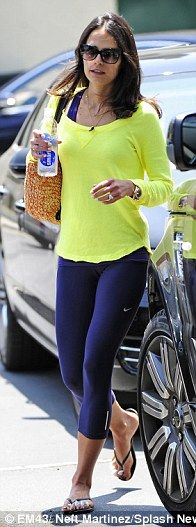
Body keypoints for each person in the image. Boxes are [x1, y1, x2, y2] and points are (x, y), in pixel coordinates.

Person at [29, 12, 173, 514]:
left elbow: (165, 183)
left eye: (109, 53)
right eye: (90, 51)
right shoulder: (62, 105)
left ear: (124, 59)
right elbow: (46, 163)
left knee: (94, 366)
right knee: (71, 371)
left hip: (122, 258)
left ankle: (81, 481)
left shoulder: (141, 117)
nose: (97, 61)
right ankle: (122, 421)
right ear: (81, 54)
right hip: (72, 253)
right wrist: (43, 153)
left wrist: (132, 188)